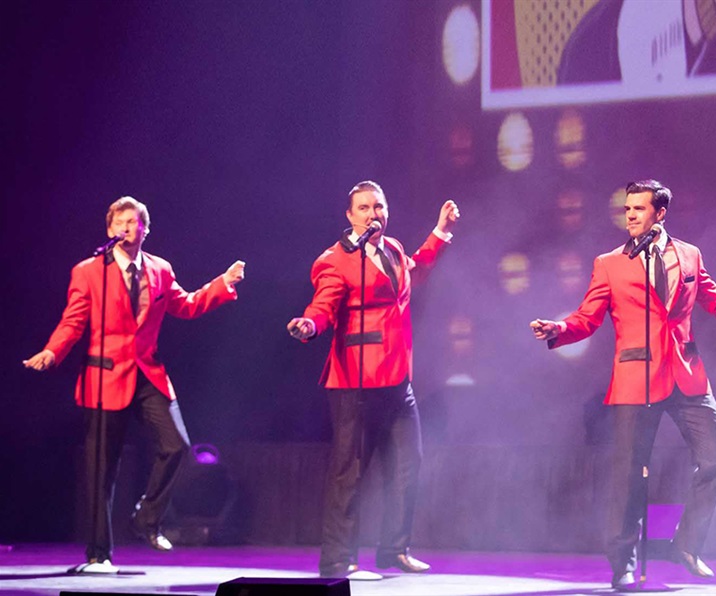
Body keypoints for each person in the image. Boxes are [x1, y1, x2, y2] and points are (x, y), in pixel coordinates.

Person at [530, 179, 716, 590]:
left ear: (660, 213)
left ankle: (686, 544)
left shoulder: (689, 255)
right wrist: (559, 329)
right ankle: (623, 563)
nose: (630, 214)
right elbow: (587, 318)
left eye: (638, 208)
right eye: (627, 208)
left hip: (686, 375)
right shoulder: (609, 263)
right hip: (635, 379)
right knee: (628, 476)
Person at [23, 196, 245, 574]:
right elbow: (73, 321)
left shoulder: (160, 269)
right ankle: (98, 554)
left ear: (146, 229)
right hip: (104, 375)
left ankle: (147, 517)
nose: (128, 227)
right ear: (110, 230)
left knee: (176, 445)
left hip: (147, 374)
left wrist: (222, 284)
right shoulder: (90, 271)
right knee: (102, 468)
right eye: (121, 222)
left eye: (135, 222)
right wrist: (52, 351)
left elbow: (186, 305)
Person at [287, 181, 459, 581]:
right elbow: (323, 306)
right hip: (355, 381)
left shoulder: (393, 249)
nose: (372, 214)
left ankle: (394, 549)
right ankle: (338, 560)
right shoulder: (334, 260)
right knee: (350, 471)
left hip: (397, 378)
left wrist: (441, 231)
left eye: (378, 206)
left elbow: (414, 271)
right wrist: (310, 325)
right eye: (363, 208)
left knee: (408, 464)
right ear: (349, 215)